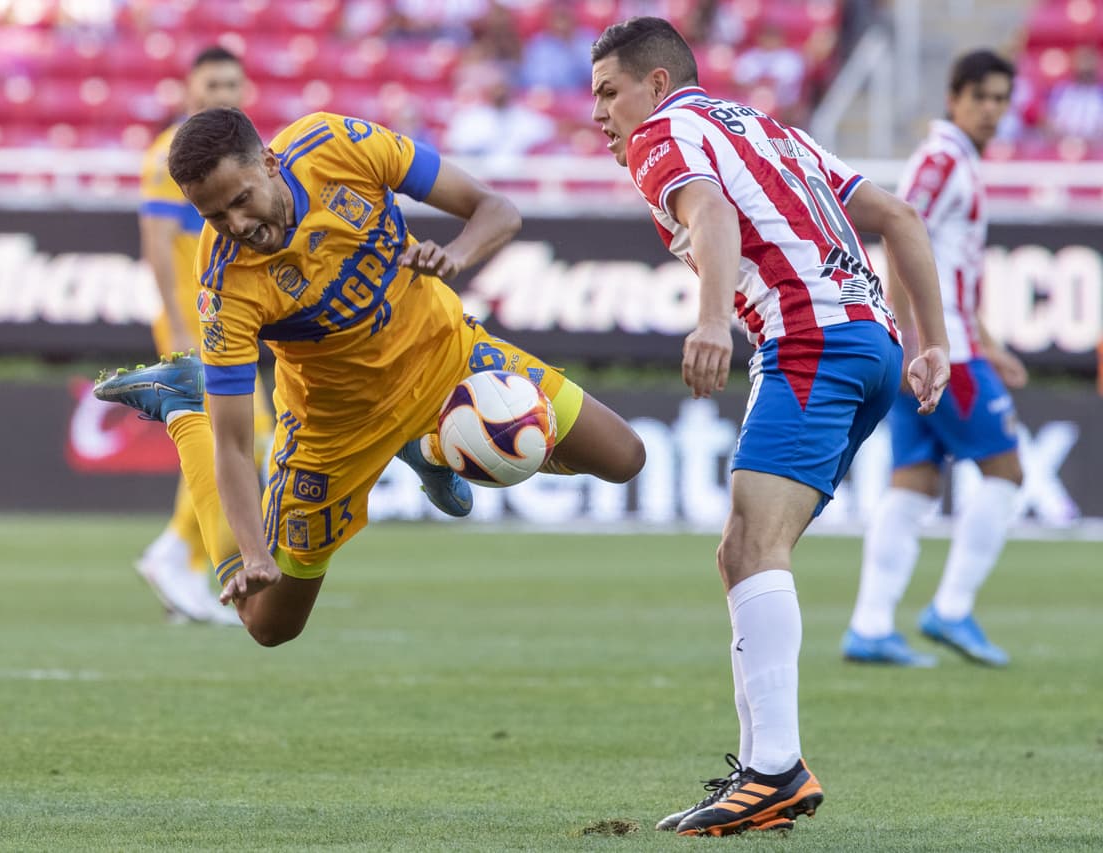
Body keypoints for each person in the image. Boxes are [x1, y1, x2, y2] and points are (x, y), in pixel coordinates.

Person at [95, 107, 646, 648]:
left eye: (240, 200)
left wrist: (455, 256)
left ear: (269, 162)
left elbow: (496, 210)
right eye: (214, 216)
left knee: (624, 457)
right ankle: (185, 405)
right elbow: (235, 447)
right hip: (336, 430)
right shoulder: (224, 285)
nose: (236, 226)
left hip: (447, 357)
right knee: (268, 625)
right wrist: (255, 556)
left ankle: (429, 446)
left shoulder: (338, 146)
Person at [589, 16, 950, 836]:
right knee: (745, 551)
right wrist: (933, 343)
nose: (600, 113)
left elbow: (712, 213)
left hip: (810, 339)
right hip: (873, 345)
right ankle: (760, 769)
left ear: (655, 83)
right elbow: (899, 216)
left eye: (609, 92)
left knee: (753, 546)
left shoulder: (660, 135)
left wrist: (710, 320)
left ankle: (776, 769)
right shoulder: (770, 129)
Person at [844, 50, 1024, 668]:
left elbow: (949, 266)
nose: (991, 110)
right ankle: (951, 609)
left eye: (1001, 99)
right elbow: (899, 231)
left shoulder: (957, 160)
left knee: (915, 481)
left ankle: (869, 626)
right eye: (981, 97)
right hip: (943, 353)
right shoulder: (943, 159)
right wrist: (909, 335)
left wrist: (990, 342)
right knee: (1006, 471)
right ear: (954, 98)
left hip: (943, 345)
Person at [134, 46, 265, 625]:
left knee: (244, 438)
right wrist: (178, 326)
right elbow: (158, 245)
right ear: (189, 89)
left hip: (225, 320)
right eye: (213, 84)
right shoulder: (170, 154)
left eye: (232, 84)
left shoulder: (238, 155)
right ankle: (178, 553)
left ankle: (181, 555)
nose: (223, 95)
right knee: (239, 436)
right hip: (193, 322)